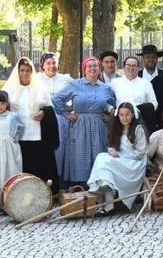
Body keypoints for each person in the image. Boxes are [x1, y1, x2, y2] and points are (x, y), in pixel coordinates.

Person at [52, 56, 117, 188]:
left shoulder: (106, 88)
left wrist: (108, 115)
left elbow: (112, 104)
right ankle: (80, 187)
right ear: (84, 69)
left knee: (98, 154)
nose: (92, 68)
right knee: (79, 156)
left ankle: (97, 186)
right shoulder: (75, 85)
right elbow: (56, 99)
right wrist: (66, 113)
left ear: (99, 69)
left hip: (99, 125)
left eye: (95, 66)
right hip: (80, 124)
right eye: (89, 66)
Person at [3, 57, 59, 190]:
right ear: (17, 72)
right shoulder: (9, 90)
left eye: (27, 70)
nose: (24, 73)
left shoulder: (40, 89)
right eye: (21, 70)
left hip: (38, 135)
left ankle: (43, 195)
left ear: (32, 72)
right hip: (19, 137)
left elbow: (51, 109)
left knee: (40, 166)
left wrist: (44, 113)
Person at [88, 103, 148, 211]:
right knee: (101, 157)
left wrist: (119, 155)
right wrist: (112, 150)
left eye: (127, 115)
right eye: (121, 115)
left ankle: (107, 204)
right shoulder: (116, 128)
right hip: (121, 161)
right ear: (118, 116)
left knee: (105, 163)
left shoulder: (138, 129)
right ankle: (108, 201)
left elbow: (140, 153)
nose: (124, 118)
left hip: (135, 163)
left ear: (133, 115)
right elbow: (111, 145)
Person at [37, 53, 74, 178]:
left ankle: (59, 178)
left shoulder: (66, 79)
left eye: (54, 63)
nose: (51, 66)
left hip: (61, 118)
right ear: (42, 65)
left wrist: (70, 111)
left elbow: (77, 94)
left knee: (61, 147)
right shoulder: (36, 79)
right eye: (48, 63)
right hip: (43, 118)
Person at [111, 56, 158, 128]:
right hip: (121, 121)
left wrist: (140, 110)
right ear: (124, 67)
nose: (131, 68)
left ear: (138, 68)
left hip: (140, 120)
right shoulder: (114, 83)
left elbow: (154, 103)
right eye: (128, 65)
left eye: (134, 66)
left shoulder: (146, 83)